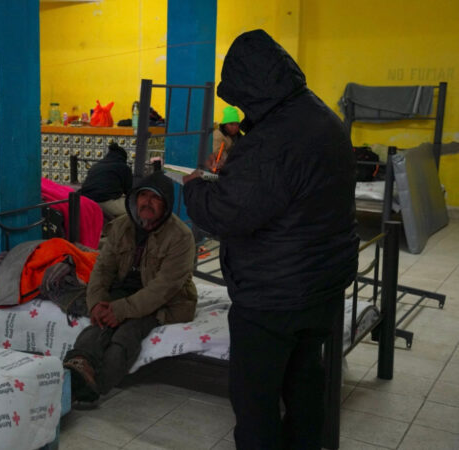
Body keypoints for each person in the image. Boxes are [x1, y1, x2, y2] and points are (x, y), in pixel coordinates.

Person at [182, 29, 358, 449]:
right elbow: (284, 188)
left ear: (252, 87)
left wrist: (195, 188)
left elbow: (227, 213)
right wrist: (241, 155)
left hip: (274, 295)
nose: (241, 109)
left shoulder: (271, 143)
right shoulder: (320, 116)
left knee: (255, 399)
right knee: (304, 383)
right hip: (323, 284)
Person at [64, 171, 197, 408]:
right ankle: (77, 368)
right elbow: (102, 269)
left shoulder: (181, 237)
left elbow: (163, 288)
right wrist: (97, 303)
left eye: (155, 198)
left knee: (126, 334)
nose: (147, 202)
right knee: (97, 327)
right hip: (124, 292)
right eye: (143, 196)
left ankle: (92, 389)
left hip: (166, 302)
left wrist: (120, 310)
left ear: (166, 204)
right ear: (134, 199)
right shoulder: (122, 226)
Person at [78, 142, 133, 218]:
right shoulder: (123, 167)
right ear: (123, 158)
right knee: (134, 208)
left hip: (85, 200)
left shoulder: (96, 166)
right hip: (104, 201)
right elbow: (129, 191)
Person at [206, 106, 242, 172]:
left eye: (237, 124)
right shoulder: (218, 135)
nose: (235, 127)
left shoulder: (238, 135)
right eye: (231, 124)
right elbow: (217, 152)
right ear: (225, 125)